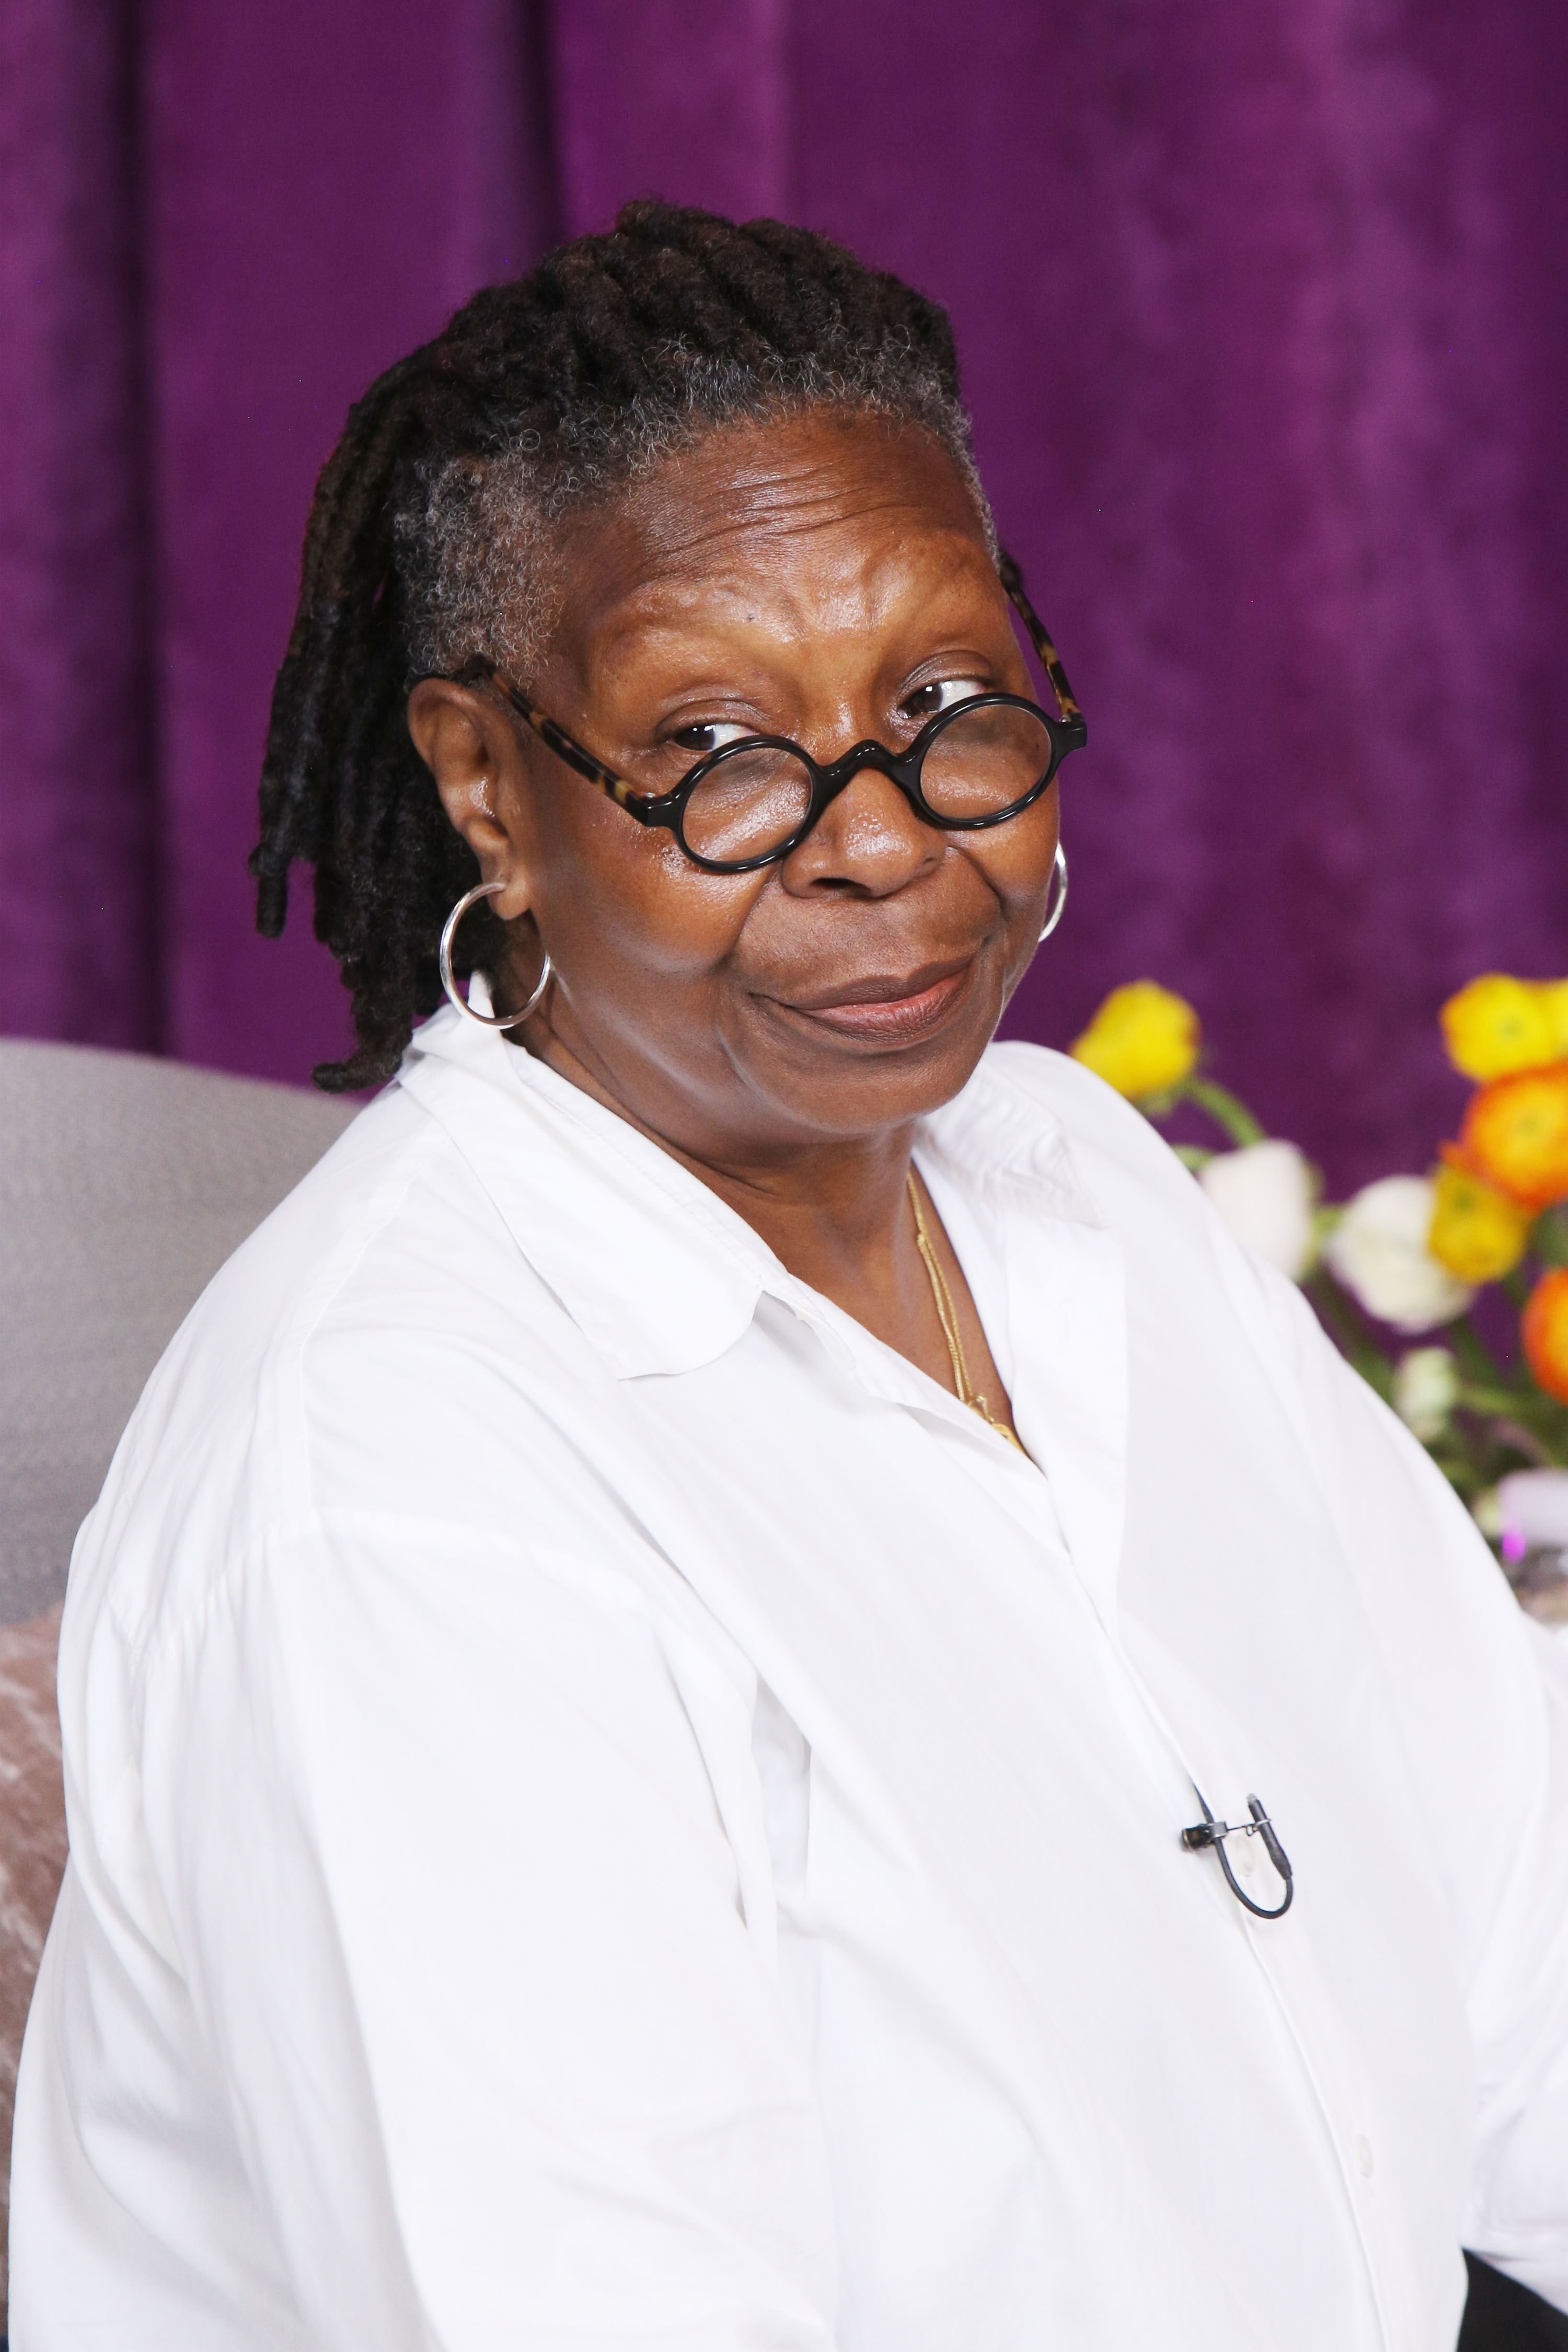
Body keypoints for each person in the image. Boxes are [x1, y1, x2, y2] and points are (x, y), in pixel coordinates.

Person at [10, 201, 1568, 2351]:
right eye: (726, 757)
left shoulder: (1073, 1183)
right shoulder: (397, 1480)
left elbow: (1527, 1952)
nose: (884, 835)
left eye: (947, 699)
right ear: (487, 785)